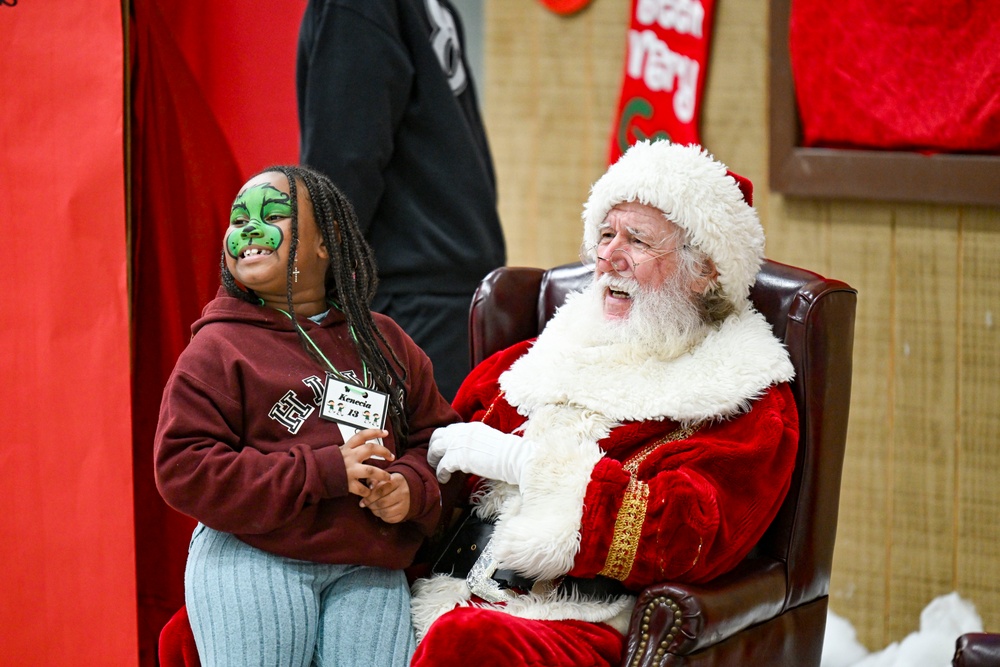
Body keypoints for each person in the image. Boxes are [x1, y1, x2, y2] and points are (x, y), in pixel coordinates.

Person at [409, 140, 801, 666]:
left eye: (637, 240)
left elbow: (693, 532)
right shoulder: (529, 361)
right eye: (605, 234)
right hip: (441, 592)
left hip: (567, 621)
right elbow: (433, 453)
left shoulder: (742, 396)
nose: (609, 257)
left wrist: (530, 466)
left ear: (704, 269)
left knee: (466, 641)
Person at [154, 165, 461, 667]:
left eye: (273, 214)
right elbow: (183, 468)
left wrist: (412, 488)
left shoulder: (386, 342)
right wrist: (322, 471)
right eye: (238, 219)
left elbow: (443, 445)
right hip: (254, 553)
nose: (249, 229)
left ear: (328, 242)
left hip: (367, 565)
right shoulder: (217, 347)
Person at [297, 0, 506, 401]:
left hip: (403, 299)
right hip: (454, 290)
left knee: (398, 459)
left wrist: (304, 289)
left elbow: (346, 160)